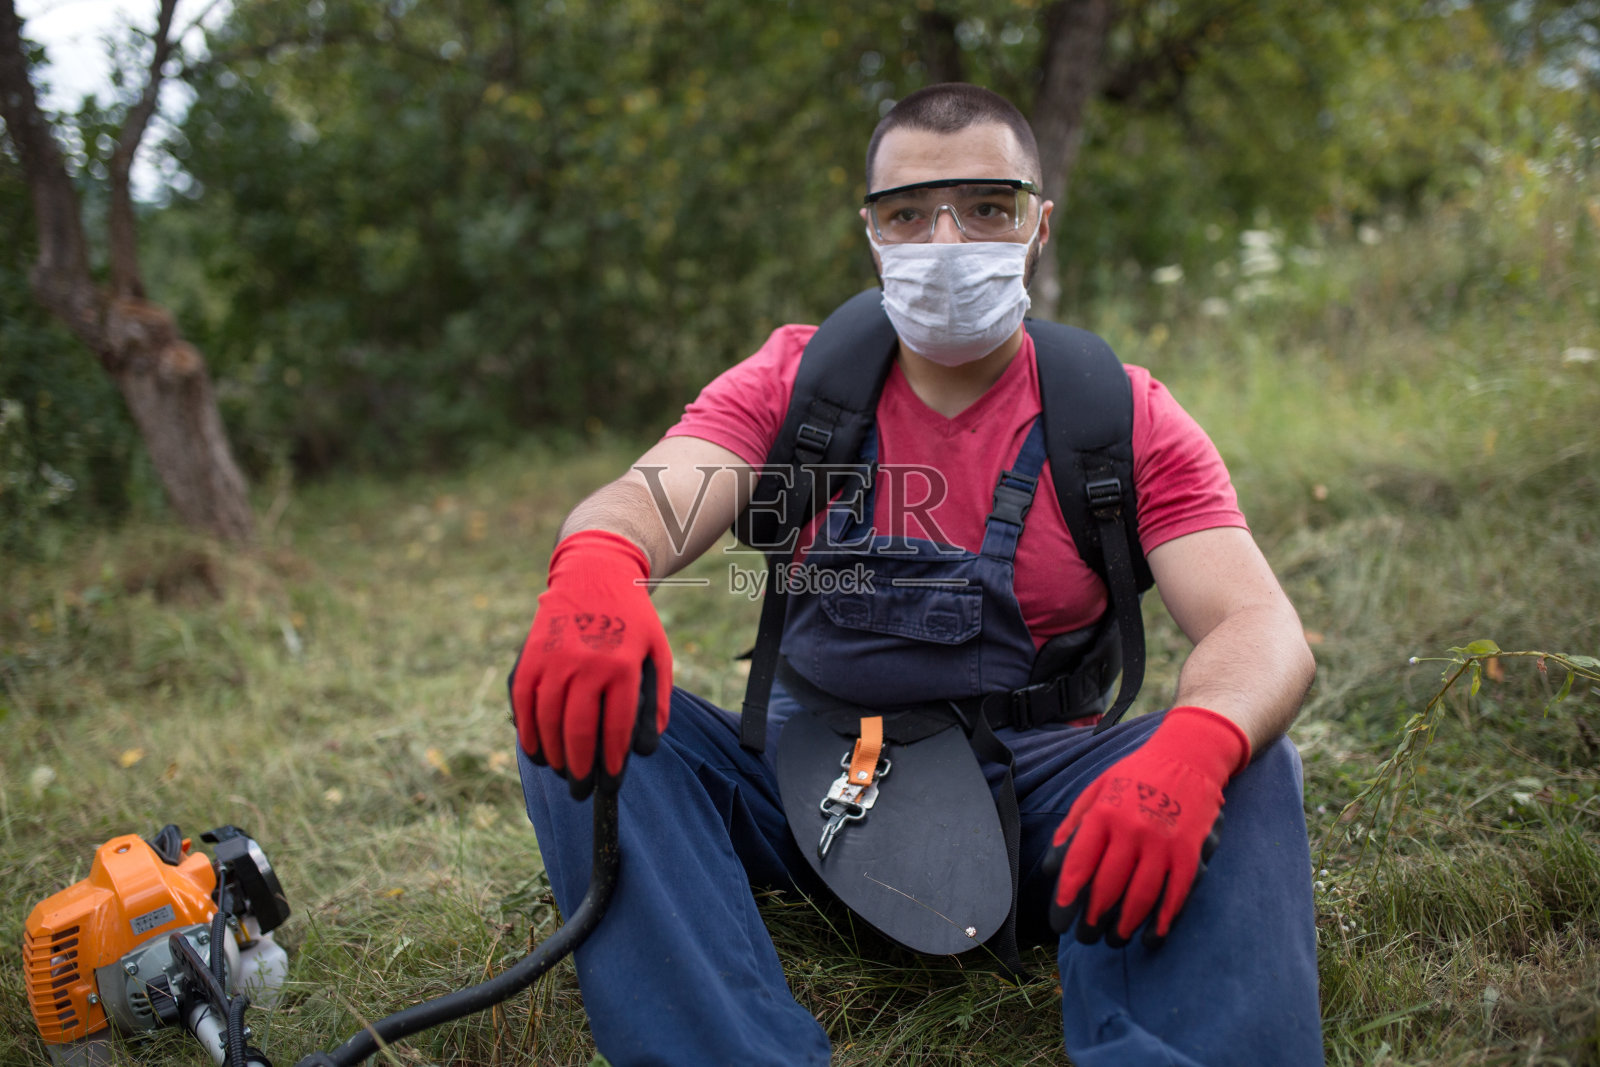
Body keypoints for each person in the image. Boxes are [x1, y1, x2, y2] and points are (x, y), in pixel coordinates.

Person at [509, 83, 1323, 1067]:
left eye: (986, 206)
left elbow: (1256, 622)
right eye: (908, 212)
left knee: (1250, 757)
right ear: (871, 233)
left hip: (1041, 803)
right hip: (812, 780)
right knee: (579, 714)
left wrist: (1195, 744)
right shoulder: (796, 385)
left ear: (1039, 222)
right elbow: (644, 498)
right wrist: (599, 563)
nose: (945, 239)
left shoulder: (1117, 416)